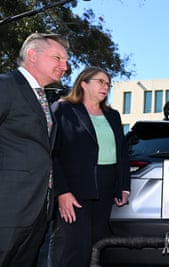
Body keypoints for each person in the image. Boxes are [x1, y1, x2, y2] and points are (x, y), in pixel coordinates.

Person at [48, 66, 130, 267]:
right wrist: (62, 192)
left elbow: (121, 153)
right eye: (100, 81)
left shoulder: (113, 115)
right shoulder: (63, 109)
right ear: (83, 83)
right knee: (73, 246)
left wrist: (124, 186)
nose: (106, 86)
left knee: (96, 246)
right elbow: (52, 154)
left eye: (108, 84)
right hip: (74, 190)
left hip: (106, 188)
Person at [0, 32, 69, 266]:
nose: (65, 66)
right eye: (58, 58)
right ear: (32, 55)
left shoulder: (43, 100)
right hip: (7, 208)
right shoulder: (6, 85)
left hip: (38, 211)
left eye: (67, 61)